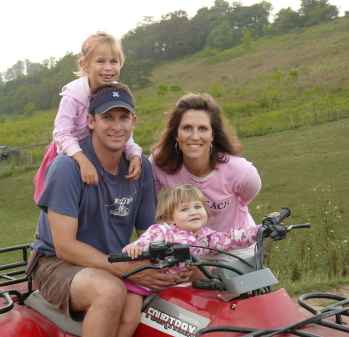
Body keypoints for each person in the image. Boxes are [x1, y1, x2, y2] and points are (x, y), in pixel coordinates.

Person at [30, 84, 190, 337]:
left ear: (134, 121)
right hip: (58, 264)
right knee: (110, 290)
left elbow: (149, 231)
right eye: (107, 118)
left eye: (123, 118)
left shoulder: (140, 168)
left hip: (116, 258)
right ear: (90, 121)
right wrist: (131, 270)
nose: (117, 127)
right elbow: (65, 247)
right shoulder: (67, 168)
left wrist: (170, 262)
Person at [118, 184, 263, 337]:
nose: (193, 212)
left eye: (197, 207)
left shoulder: (205, 237)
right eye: (184, 209)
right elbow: (141, 244)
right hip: (141, 285)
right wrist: (133, 249)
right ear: (170, 218)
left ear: (206, 212)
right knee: (129, 321)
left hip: (171, 286)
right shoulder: (161, 231)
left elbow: (231, 238)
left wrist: (259, 230)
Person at [150, 93, 262, 263]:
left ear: (213, 135)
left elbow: (247, 197)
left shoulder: (241, 171)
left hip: (235, 244)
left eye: (203, 128)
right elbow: (150, 206)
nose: (195, 136)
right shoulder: (160, 163)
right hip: (187, 246)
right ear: (176, 134)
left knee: (234, 288)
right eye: (187, 128)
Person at [33, 31, 142, 202]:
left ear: (121, 63)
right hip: (68, 153)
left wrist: (134, 154)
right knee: (59, 201)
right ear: (85, 65)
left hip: (97, 153)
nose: (108, 67)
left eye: (114, 61)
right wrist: (82, 161)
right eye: (100, 61)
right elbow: (61, 134)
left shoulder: (117, 93)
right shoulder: (73, 96)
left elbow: (122, 131)